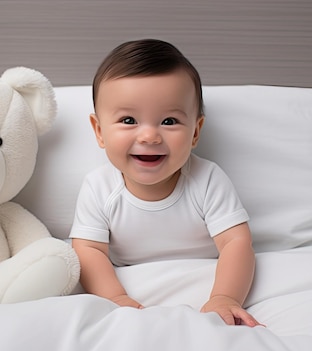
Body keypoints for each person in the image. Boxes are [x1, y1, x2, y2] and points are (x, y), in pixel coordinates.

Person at [69, 38, 260, 327]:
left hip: (200, 278)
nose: (149, 137)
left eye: (169, 121)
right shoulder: (99, 187)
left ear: (195, 132)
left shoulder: (207, 180)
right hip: (130, 286)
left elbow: (236, 242)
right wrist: (116, 298)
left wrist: (225, 297)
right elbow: (88, 250)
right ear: (99, 131)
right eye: (129, 120)